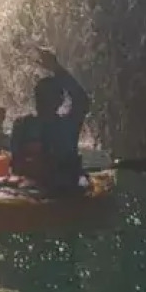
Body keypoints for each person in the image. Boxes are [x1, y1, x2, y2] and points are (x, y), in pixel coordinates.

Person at [10, 48, 90, 195]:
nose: (44, 100)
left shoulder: (67, 125)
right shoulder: (23, 125)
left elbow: (82, 100)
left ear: (59, 100)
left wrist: (56, 68)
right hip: (33, 188)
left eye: (47, 96)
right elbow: (15, 165)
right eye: (41, 96)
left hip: (61, 187)